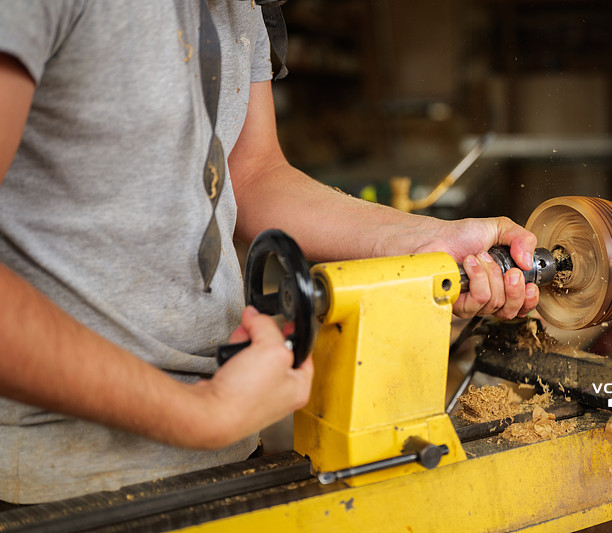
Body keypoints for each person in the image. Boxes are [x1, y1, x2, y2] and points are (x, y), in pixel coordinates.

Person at [0, 1, 539, 504]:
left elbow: (253, 172)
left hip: (227, 449)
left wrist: (423, 239)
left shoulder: (243, 5)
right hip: (49, 484)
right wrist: (200, 414)